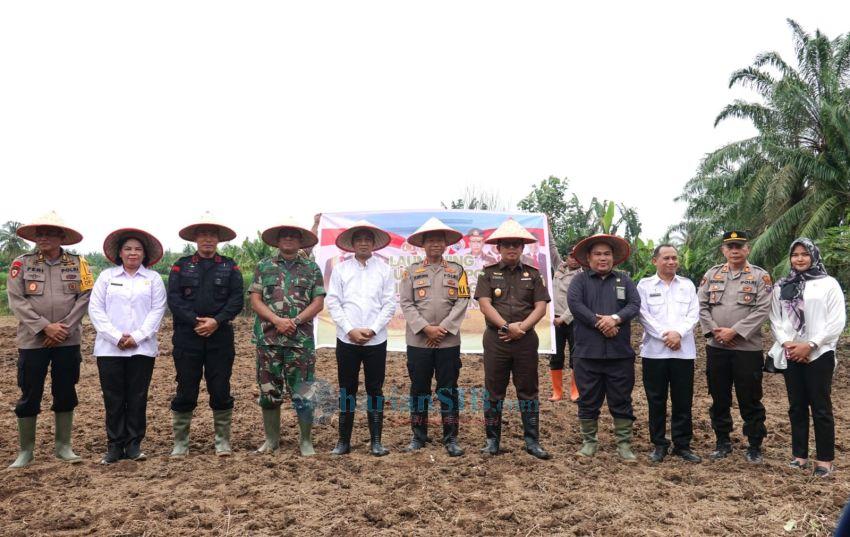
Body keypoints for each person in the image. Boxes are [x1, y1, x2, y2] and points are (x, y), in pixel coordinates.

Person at [6, 211, 93, 468]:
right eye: (39, 233)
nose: (43, 237)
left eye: (50, 233)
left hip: (67, 340)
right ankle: (26, 451)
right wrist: (45, 327)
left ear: (61, 237)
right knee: (29, 391)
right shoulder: (21, 263)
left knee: (65, 389)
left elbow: (85, 296)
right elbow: (17, 300)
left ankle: (63, 446)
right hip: (33, 340)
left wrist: (62, 328)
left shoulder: (79, 264)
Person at [167, 212, 244, 457]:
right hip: (187, 336)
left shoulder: (230, 266)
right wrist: (195, 321)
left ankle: (222, 441)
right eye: (203, 235)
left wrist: (216, 321)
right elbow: (174, 300)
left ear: (219, 239)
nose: (208, 239)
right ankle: (181, 443)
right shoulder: (181, 265)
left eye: (212, 235)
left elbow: (236, 300)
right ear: (196, 239)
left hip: (220, 336)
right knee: (186, 386)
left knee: (220, 386)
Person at [768, 238, 845, 477]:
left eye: (804, 254)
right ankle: (799, 456)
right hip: (791, 351)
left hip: (819, 353)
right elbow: (775, 318)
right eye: (795, 254)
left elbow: (836, 321)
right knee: (797, 406)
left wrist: (810, 345)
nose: (799, 258)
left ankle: (824, 460)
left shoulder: (828, 284)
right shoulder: (783, 285)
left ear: (813, 256)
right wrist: (787, 343)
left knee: (820, 407)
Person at [88, 228, 167, 464]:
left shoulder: (152, 279)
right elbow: (95, 309)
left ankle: (134, 445)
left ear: (144, 255)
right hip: (109, 349)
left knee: (137, 397)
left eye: (138, 249)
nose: (133, 253)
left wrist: (137, 337)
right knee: (113, 398)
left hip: (142, 349)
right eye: (128, 249)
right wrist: (116, 337)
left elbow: (157, 310)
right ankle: (114, 446)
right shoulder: (106, 277)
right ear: (119, 253)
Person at [475, 218, 550, 459]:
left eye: (516, 245)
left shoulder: (534, 275)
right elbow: (485, 305)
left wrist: (522, 328)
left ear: (522, 248)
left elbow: (540, 307)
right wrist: (507, 327)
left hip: (526, 341)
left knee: (528, 391)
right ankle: (492, 441)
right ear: (498, 248)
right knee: (494, 391)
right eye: (506, 245)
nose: (511, 249)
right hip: (496, 339)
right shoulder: (487, 275)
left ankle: (532, 441)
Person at [250, 217, 325, 456]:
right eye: (285, 235)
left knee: (303, 391)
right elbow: (255, 299)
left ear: (300, 240)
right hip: (268, 340)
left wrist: (295, 321)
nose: (289, 239)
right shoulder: (264, 266)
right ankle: (271, 440)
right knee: (269, 391)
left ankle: (306, 441)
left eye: (294, 235)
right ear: (278, 240)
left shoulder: (311, 268)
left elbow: (318, 301)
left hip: (300, 340)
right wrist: (276, 321)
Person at [698, 231, 772, 463]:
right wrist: (715, 331)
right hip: (716, 346)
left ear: (747, 249)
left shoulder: (760, 276)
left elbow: (763, 309)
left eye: (739, 246)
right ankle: (722, 442)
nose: (735, 250)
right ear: (724, 250)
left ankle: (754, 445)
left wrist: (735, 331)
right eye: (730, 247)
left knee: (749, 398)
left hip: (747, 349)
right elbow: (700, 306)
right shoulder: (712, 274)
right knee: (719, 397)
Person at [399, 217, 470, 457]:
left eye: (439, 240)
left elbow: (463, 300)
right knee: (419, 389)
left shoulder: (458, 271)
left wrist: (445, 328)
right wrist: (425, 328)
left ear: (446, 244)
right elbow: (406, 303)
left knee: (448, 389)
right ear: (423, 244)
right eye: (431, 240)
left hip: (448, 341)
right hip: (419, 341)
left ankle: (451, 438)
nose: (435, 245)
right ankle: (419, 436)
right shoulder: (411, 272)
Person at [325, 221, 397, 456]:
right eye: (359, 239)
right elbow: (334, 302)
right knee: (347, 389)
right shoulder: (341, 269)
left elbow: (389, 303)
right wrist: (350, 329)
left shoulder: (385, 270)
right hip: (347, 339)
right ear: (353, 244)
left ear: (373, 244)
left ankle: (376, 441)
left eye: (368, 239)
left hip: (376, 340)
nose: (364, 243)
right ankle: (343, 441)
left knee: (375, 389)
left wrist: (373, 329)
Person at [567, 234, 640, 462]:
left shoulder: (624, 280)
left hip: (619, 354)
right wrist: (601, 323)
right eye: (597, 254)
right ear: (588, 258)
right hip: (587, 353)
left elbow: (634, 305)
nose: (602, 258)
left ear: (613, 257)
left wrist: (616, 319)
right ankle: (589, 443)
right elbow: (575, 305)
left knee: (622, 399)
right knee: (588, 399)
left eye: (607, 254)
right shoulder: (579, 281)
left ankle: (624, 444)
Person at [636, 244, 701, 463]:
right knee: (656, 400)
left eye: (674, 258)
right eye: (666, 258)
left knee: (683, 400)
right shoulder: (644, 286)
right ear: (655, 261)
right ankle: (659, 444)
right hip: (655, 353)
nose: (671, 262)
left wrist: (678, 334)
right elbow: (643, 316)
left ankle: (682, 445)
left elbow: (694, 315)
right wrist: (666, 336)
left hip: (683, 352)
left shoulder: (687, 285)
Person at [549, 245, 582, 402]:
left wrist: (563, 317)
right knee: (556, 355)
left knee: (576, 355)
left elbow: (579, 301)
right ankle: (557, 391)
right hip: (554, 321)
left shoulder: (583, 275)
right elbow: (551, 248)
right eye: (571, 256)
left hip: (574, 320)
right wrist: (546, 224)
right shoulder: (558, 267)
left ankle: (575, 391)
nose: (573, 259)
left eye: (577, 257)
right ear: (566, 257)